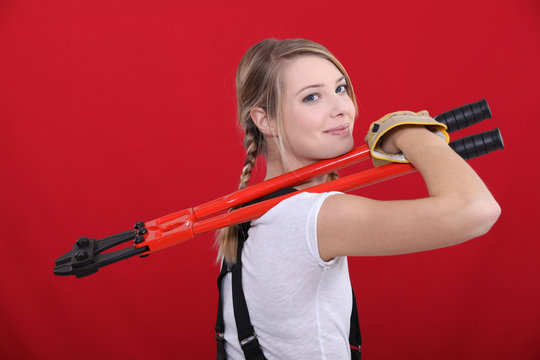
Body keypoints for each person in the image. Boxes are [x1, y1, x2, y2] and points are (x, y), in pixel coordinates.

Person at [215, 38, 500, 360]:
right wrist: (409, 133)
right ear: (264, 120)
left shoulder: (260, 211)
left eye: (340, 89)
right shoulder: (310, 217)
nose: (341, 108)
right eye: (311, 97)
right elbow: (476, 209)